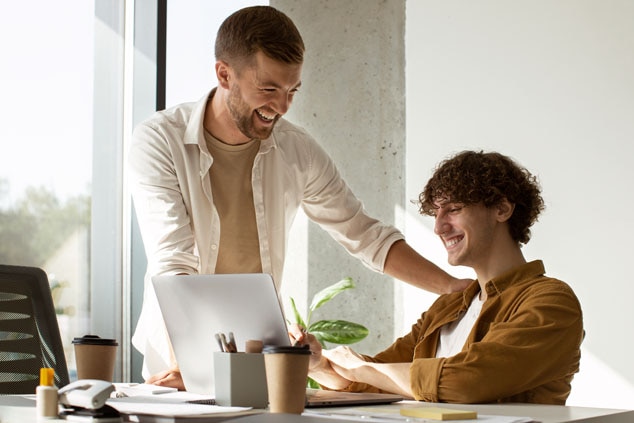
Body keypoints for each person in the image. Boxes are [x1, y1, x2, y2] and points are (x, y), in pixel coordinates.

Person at [128, 6, 469, 389]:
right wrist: (190, 364)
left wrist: (453, 287)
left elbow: (364, 234)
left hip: (259, 359)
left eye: (292, 90)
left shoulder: (296, 150)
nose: (283, 106)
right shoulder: (159, 140)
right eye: (269, 89)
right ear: (224, 74)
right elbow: (173, 261)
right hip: (179, 359)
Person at [293, 150, 584, 405]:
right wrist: (319, 366)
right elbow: (379, 379)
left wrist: (363, 370)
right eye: (435, 212)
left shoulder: (551, 302)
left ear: (502, 209)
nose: (439, 227)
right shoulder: (450, 306)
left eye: (454, 209)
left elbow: (467, 381)